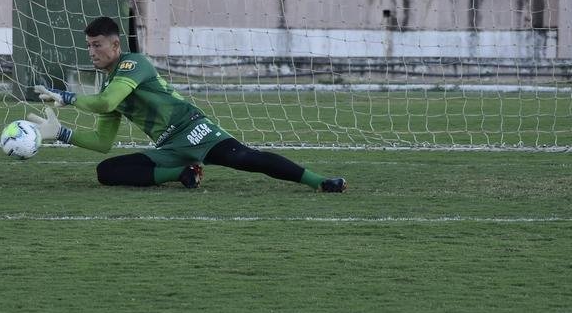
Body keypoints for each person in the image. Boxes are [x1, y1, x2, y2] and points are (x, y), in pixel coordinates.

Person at [24, 16, 347, 192]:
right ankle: (182, 173)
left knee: (246, 158)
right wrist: (62, 133)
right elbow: (102, 142)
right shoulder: (108, 84)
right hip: (169, 147)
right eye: (89, 46)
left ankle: (319, 181)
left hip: (192, 130)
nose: (92, 52)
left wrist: (67, 97)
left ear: (116, 45)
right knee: (107, 171)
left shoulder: (133, 64)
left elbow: (106, 103)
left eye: (97, 45)